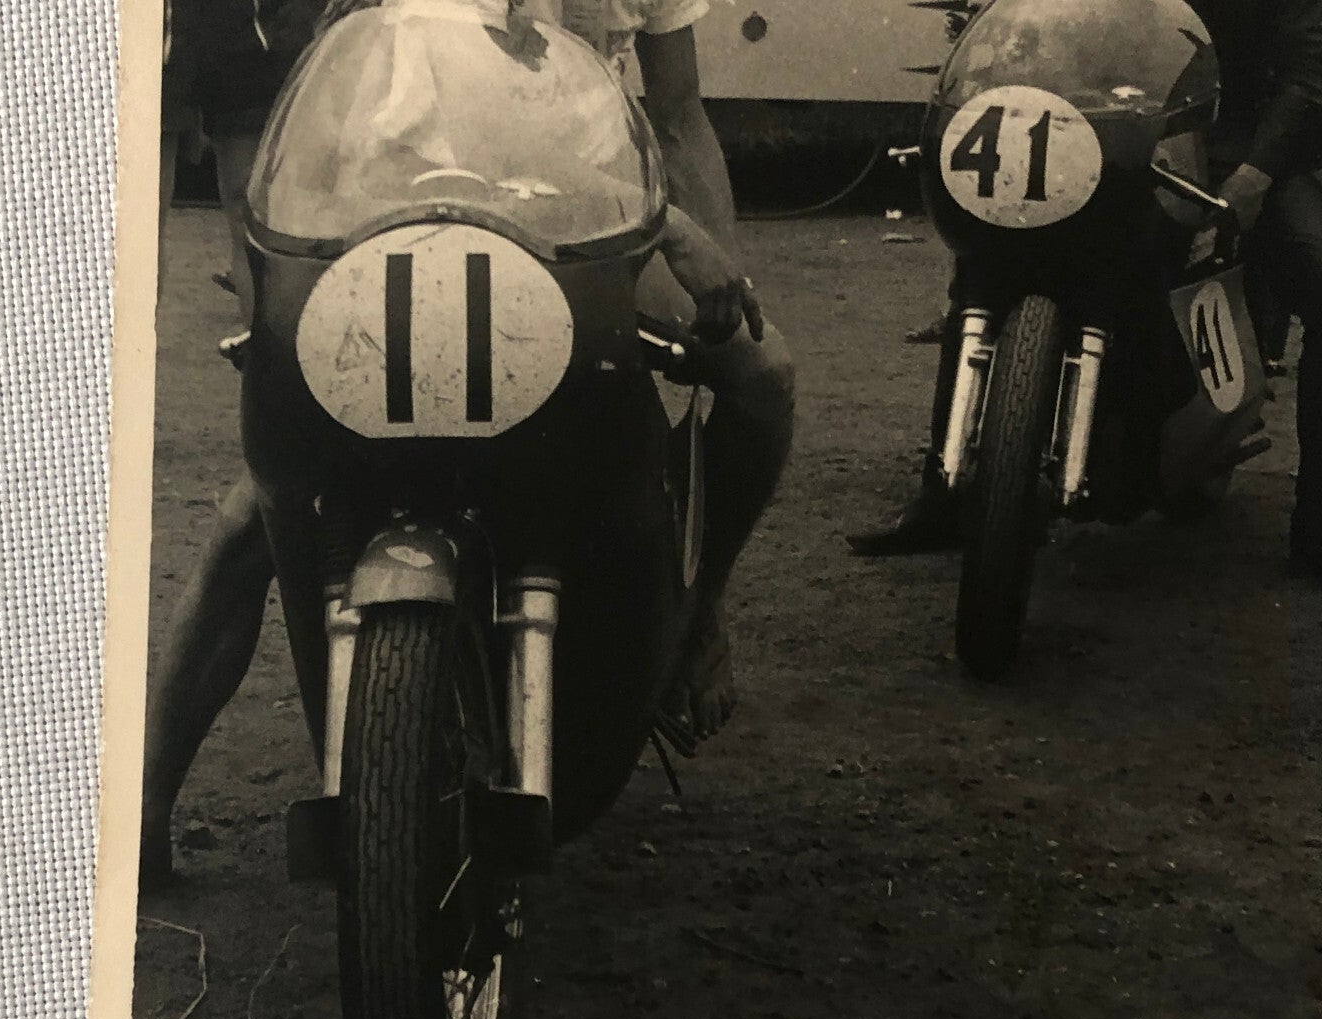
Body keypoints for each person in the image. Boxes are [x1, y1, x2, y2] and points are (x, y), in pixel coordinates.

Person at [140, 0, 796, 888]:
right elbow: (356, 118)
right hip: (420, 232)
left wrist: (715, 265)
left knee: (761, 378)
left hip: (591, 248)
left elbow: (678, 115)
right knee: (259, 505)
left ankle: (701, 615)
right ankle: (142, 807)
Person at [849, 0, 1322, 575]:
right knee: (989, 255)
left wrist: (1258, 172)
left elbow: (1309, 72)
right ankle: (947, 489)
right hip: (1108, 123)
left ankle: (1315, 524)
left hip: (1233, 139)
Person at [159, 0, 325, 321]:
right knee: (135, 227)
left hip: (262, 42)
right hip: (168, 41)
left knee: (269, 220)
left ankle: (276, 361)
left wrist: (284, 33)